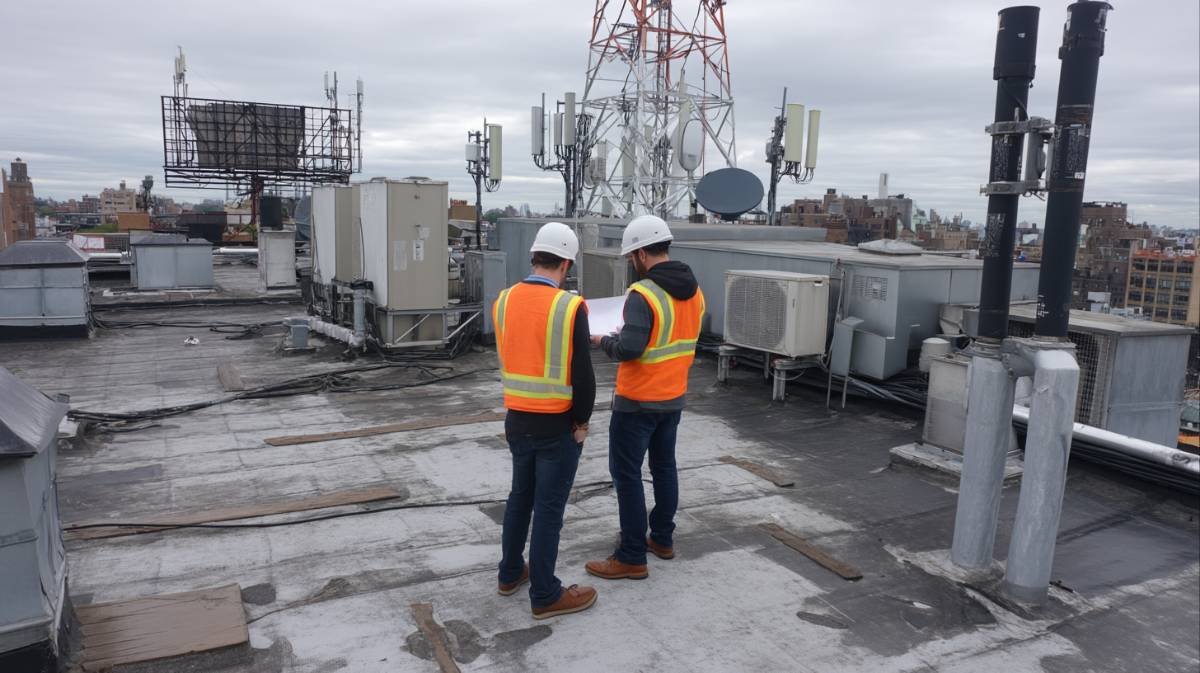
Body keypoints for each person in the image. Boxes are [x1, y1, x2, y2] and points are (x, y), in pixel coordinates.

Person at [585, 215, 705, 581]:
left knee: (627, 475)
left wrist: (603, 340)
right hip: (673, 396)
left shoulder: (644, 294)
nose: (631, 262)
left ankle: (632, 555)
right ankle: (662, 538)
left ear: (640, 254)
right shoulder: (695, 291)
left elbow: (630, 349)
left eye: (630, 256)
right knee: (664, 468)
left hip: (638, 401)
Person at [494, 221, 598, 619]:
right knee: (549, 510)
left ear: (534, 257)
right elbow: (583, 375)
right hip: (556, 425)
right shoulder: (569, 306)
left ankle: (509, 574)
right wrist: (582, 423)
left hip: (517, 420)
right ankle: (545, 594)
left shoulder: (504, 300)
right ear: (566, 264)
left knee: (520, 498)